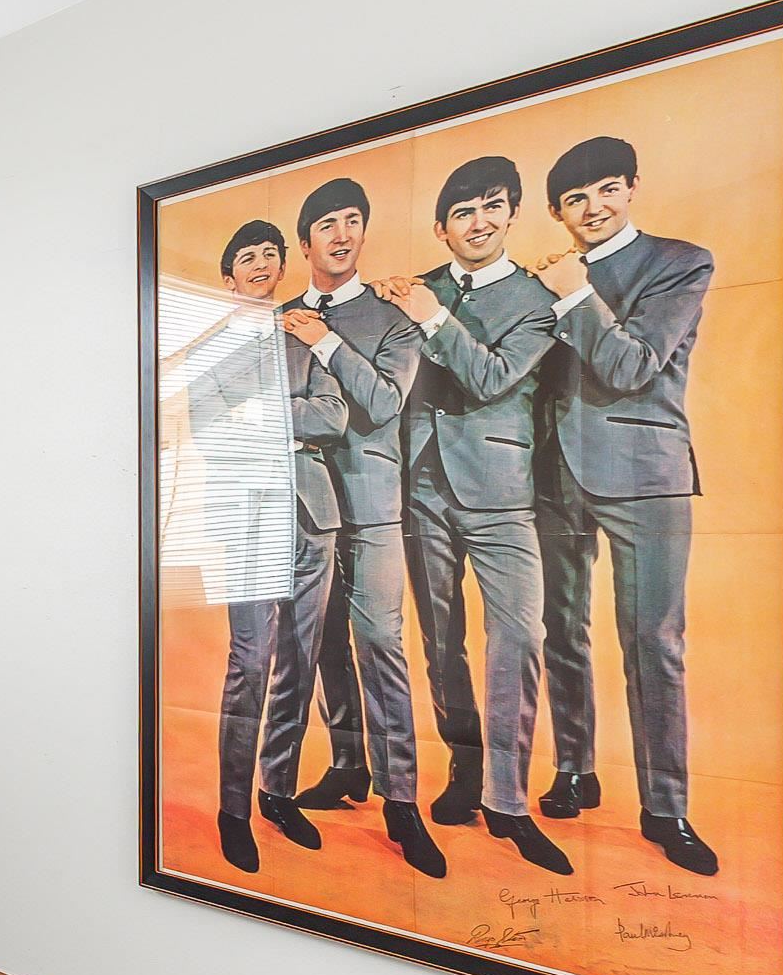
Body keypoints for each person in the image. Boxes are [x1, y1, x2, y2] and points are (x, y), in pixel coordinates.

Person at [373, 156, 567, 874]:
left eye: (491, 206)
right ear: (442, 227)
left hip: (502, 492)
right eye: (463, 211)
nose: (478, 221)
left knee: (518, 636)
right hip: (421, 490)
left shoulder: (538, 298)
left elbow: (489, 378)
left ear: (512, 212)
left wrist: (430, 314)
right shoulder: (416, 288)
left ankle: (507, 802)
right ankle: (463, 771)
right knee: (440, 644)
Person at [532, 135, 718, 876]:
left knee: (654, 644)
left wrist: (573, 293)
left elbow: (632, 363)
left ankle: (665, 808)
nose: (593, 208)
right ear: (557, 211)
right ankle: (575, 769)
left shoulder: (680, 263)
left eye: (606, 190)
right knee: (561, 634)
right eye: (575, 199)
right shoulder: (540, 277)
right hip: (553, 475)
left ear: (632, 187)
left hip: (646, 472)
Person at [277, 177, 442, 876]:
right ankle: (348, 766)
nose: (341, 235)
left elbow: (379, 406)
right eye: (327, 225)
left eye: (353, 222)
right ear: (305, 240)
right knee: (320, 648)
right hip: (306, 509)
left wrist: (325, 345)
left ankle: (401, 802)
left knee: (380, 644)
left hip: (373, 506)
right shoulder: (276, 316)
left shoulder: (395, 318)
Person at [192, 221, 347, 872]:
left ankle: (277, 791)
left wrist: (260, 418)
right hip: (249, 519)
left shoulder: (302, 336)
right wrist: (288, 418)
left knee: (299, 663)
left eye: (268, 254)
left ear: (281, 267)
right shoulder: (207, 352)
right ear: (230, 277)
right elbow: (209, 431)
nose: (260, 263)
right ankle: (233, 810)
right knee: (250, 663)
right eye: (246, 256)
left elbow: (334, 416)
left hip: (314, 513)